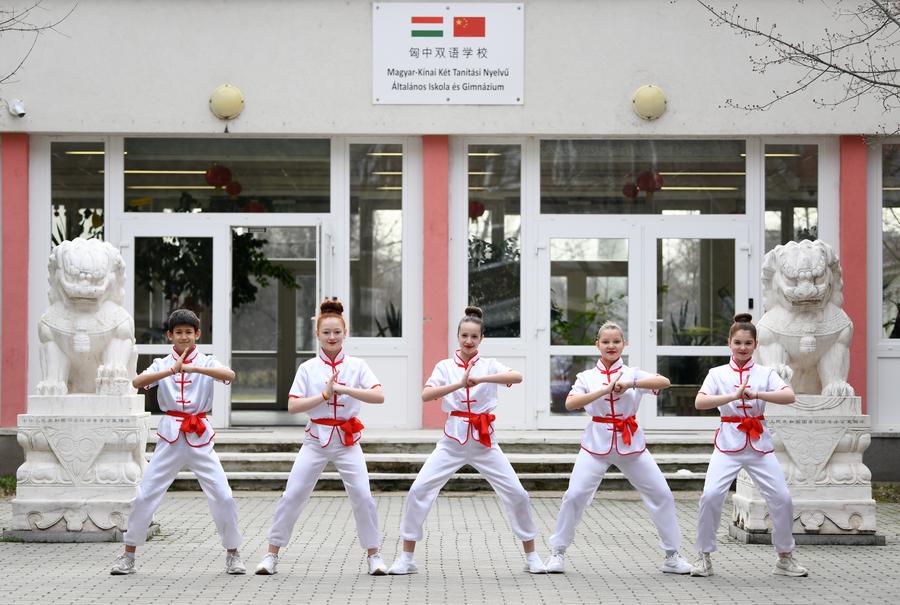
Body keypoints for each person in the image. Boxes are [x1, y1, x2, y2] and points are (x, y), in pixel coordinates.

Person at [388, 306, 546, 575]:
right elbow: (427, 395)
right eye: (464, 335)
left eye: (474, 336)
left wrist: (481, 378)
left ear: (482, 338)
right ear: (457, 336)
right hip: (452, 442)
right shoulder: (445, 366)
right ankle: (406, 558)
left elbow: (516, 376)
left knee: (517, 493)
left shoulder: (489, 365)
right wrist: (460, 384)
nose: (469, 341)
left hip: (485, 442)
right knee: (418, 490)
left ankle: (532, 556)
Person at [545, 321, 692, 575]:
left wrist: (632, 384)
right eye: (605, 342)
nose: (611, 346)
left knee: (662, 494)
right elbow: (570, 403)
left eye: (616, 341)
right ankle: (557, 552)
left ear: (624, 344)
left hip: (630, 443)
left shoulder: (633, 373)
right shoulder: (587, 377)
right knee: (575, 495)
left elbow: (664, 381)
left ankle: (672, 555)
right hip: (595, 444)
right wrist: (604, 390)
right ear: (597, 345)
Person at [255, 298, 388, 576]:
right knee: (293, 494)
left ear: (345, 332)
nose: (332, 337)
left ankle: (374, 554)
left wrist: (345, 389)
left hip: (347, 441)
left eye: (337, 332)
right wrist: (324, 395)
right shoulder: (308, 368)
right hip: (315, 440)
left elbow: (379, 395)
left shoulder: (357, 365)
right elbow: (293, 406)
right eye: (326, 332)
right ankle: (271, 554)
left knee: (363, 496)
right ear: (317, 334)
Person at [110, 309, 244, 575]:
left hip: (199, 436)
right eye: (179, 332)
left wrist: (194, 368)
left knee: (223, 495)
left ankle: (233, 552)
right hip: (170, 436)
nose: (184, 337)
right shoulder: (161, 363)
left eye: (189, 332)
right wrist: (170, 371)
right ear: (170, 335)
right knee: (146, 494)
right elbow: (137, 381)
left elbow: (229, 375)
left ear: (197, 334)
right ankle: (128, 554)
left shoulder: (207, 361)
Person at [690, 313, 808, 578]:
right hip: (727, 444)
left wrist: (756, 394)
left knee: (782, 498)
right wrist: (732, 396)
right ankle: (703, 556)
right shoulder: (717, 374)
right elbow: (700, 402)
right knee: (710, 496)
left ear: (756, 345)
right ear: (729, 343)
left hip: (759, 445)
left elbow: (789, 396)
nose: (742, 347)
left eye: (747, 343)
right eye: (737, 342)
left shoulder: (765, 373)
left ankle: (785, 557)